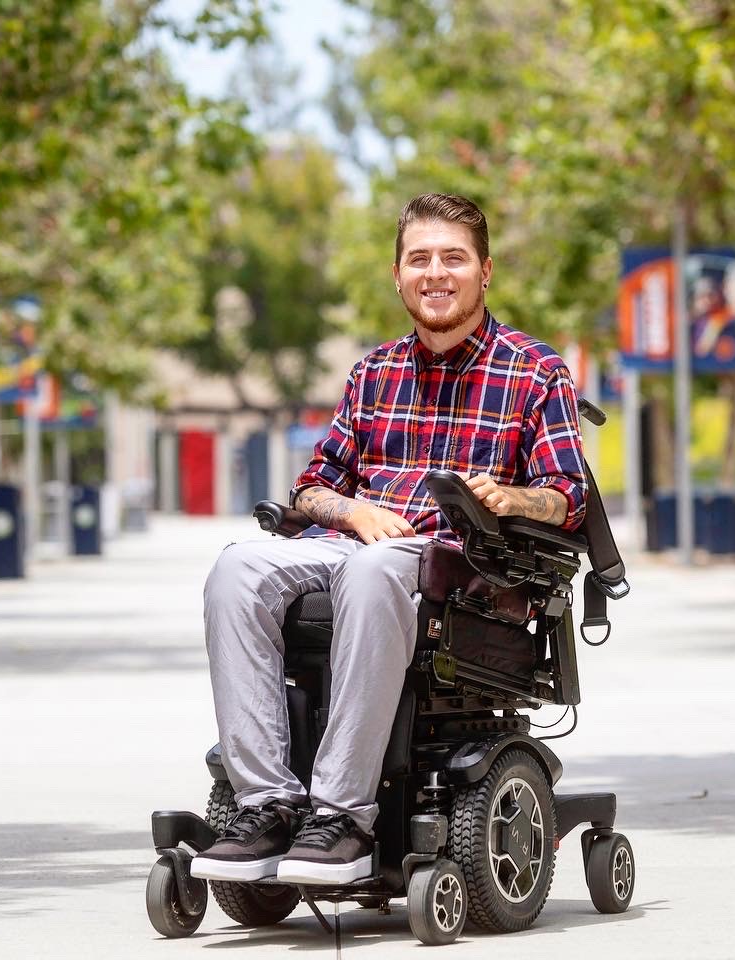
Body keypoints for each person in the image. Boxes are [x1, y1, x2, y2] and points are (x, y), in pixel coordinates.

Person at [189, 193, 589, 886]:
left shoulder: (534, 371)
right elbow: (311, 488)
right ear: (398, 274)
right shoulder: (373, 373)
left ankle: (342, 815)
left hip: (461, 561)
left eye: (453, 258)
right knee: (238, 569)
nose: (435, 273)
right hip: (357, 541)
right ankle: (266, 806)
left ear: (485, 271)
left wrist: (515, 497)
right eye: (419, 259)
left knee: (372, 572)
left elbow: (569, 496)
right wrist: (353, 512)